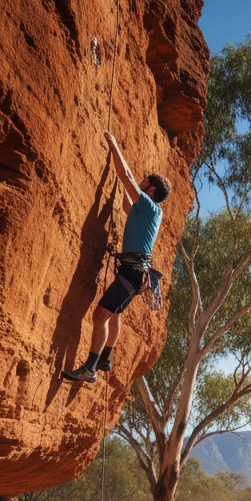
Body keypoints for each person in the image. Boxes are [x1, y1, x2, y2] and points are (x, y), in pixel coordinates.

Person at [61, 131, 172, 383]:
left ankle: (90, 368)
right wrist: (125, 183)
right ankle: (105, 358)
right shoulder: (148, 211)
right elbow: (125, 203)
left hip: (133, 271)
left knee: (100, 316)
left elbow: (127, 177)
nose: (139, 182)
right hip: (136, 272)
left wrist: (114, 146)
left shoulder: (148, 206)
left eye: (144, 182)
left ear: (150, 189)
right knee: (115, 314)